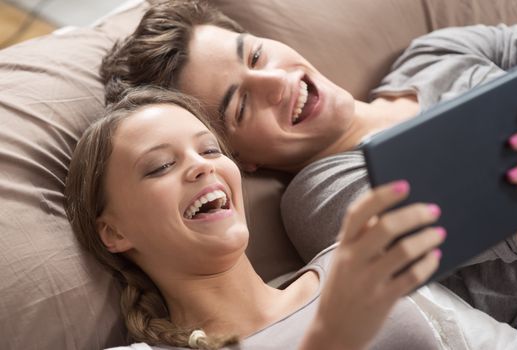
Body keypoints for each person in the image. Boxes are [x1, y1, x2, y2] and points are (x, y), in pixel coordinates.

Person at [99, 0, 517, 329]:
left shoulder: (436, 54)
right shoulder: (321, 198)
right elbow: (502, 213)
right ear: (240, 159)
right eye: (241, 106)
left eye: (256, 57)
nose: (276, 84)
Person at [64, 87, 447, 349]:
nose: (201, 166)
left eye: (210, 149)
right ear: (113, 231)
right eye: (161, 165)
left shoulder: (352, 262)